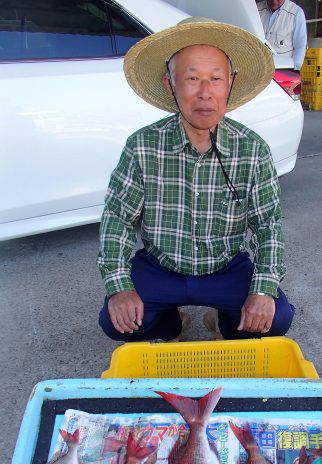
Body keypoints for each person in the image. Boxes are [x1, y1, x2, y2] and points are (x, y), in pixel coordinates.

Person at [97, 17, 295, 342]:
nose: (205, 93)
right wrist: (119, 287)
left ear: (230, 83)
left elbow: (268, 225)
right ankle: (173, 325)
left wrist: (262, 290)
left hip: (226, 267)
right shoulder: (142, 145)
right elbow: (117, 219)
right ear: (170, 84)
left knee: (276, 319)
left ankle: (224, 325)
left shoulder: (253, 148)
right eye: (192, 78)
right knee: (115, 320)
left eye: (215, 79)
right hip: (161, 267)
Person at [257, 0, 307, 70]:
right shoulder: (256, 10)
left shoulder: (296, 13)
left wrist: (295, 70)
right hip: (257, 68)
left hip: (281, 72)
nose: (274, 1)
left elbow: (300, 46)